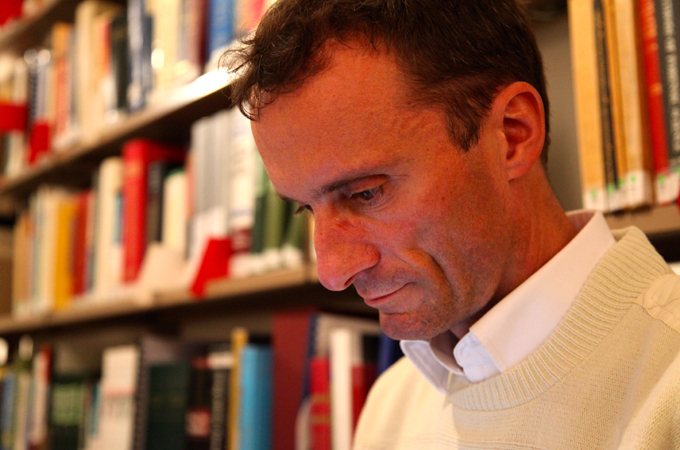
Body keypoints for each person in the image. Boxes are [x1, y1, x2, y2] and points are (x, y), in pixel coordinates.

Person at [223, 0, 680, 448]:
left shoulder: (668, 386)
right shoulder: (391, 406)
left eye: (366, 193)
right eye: (307, 209)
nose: (332, 271)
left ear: (513, 135)